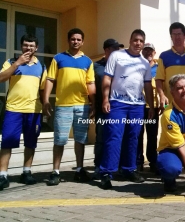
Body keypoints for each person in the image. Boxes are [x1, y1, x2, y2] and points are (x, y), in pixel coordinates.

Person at [99, 29, 154, 190]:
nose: (138, 43)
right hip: (117, 103)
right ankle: (106, 173)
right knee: (114, 136)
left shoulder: (145, 63)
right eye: (135, 40)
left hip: (137, 106)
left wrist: (149, 105)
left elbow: (148, 86)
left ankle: (129, 169)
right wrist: (105, 99)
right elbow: (107, 77)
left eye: (141, 41)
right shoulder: (117, 55)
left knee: (133, 138)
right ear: (130, 40)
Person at [43, 28, 95, 186]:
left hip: (83, 106)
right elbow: (50, 79)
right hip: (63, 106)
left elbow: (90, 83)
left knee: (81, 139)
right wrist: (46, 100)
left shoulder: (87, 61)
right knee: (60, 140)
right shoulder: (58, 58)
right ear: (68, 40)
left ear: (83, 42)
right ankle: (55, 172)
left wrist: (94, 104)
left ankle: (79, 170)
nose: (76, 42)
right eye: (73, 39)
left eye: (79, 39)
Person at [0, 34, 47, 190]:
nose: (29, 48)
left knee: (30, 142)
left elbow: (42, 89)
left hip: (34, 110)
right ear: (21, 46)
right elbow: (1, 78)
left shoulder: (42, 66)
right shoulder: (11, 62)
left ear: (36, 48)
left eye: (32, 45)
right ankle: (3, 175)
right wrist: (17, 64)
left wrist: (46, 104)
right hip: (13, 109)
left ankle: (26, 172)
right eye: (26, 45)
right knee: (7, 142)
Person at [93, 39, 123, 178]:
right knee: (101, 137)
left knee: (117, 137)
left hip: (119, 107)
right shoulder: (96, 66)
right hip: (101, 108)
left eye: (118, 49)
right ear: (106, 50)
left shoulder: (121, 65)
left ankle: (117, 166)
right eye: (114, 48)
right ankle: (98, 165)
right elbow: (90, 87)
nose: (117, 51)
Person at [155, 22, 185, 110]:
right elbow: (159, 79)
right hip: (171, 105)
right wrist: (162, 96)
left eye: (179, 34)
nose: (177, 37)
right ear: (171, 37)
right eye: (174, 34)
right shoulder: (164, 56)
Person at [137, 43, 160, 173]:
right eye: (145, 50)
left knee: (152, 135)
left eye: (150, 51)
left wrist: (163, 104)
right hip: (138, 107)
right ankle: (138, 162)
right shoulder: (137, 66)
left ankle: (153, 161)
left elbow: (163, 87)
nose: (148, 53)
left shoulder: (159, 67)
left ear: (154, 52)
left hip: (153, 108)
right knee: (138, 135)